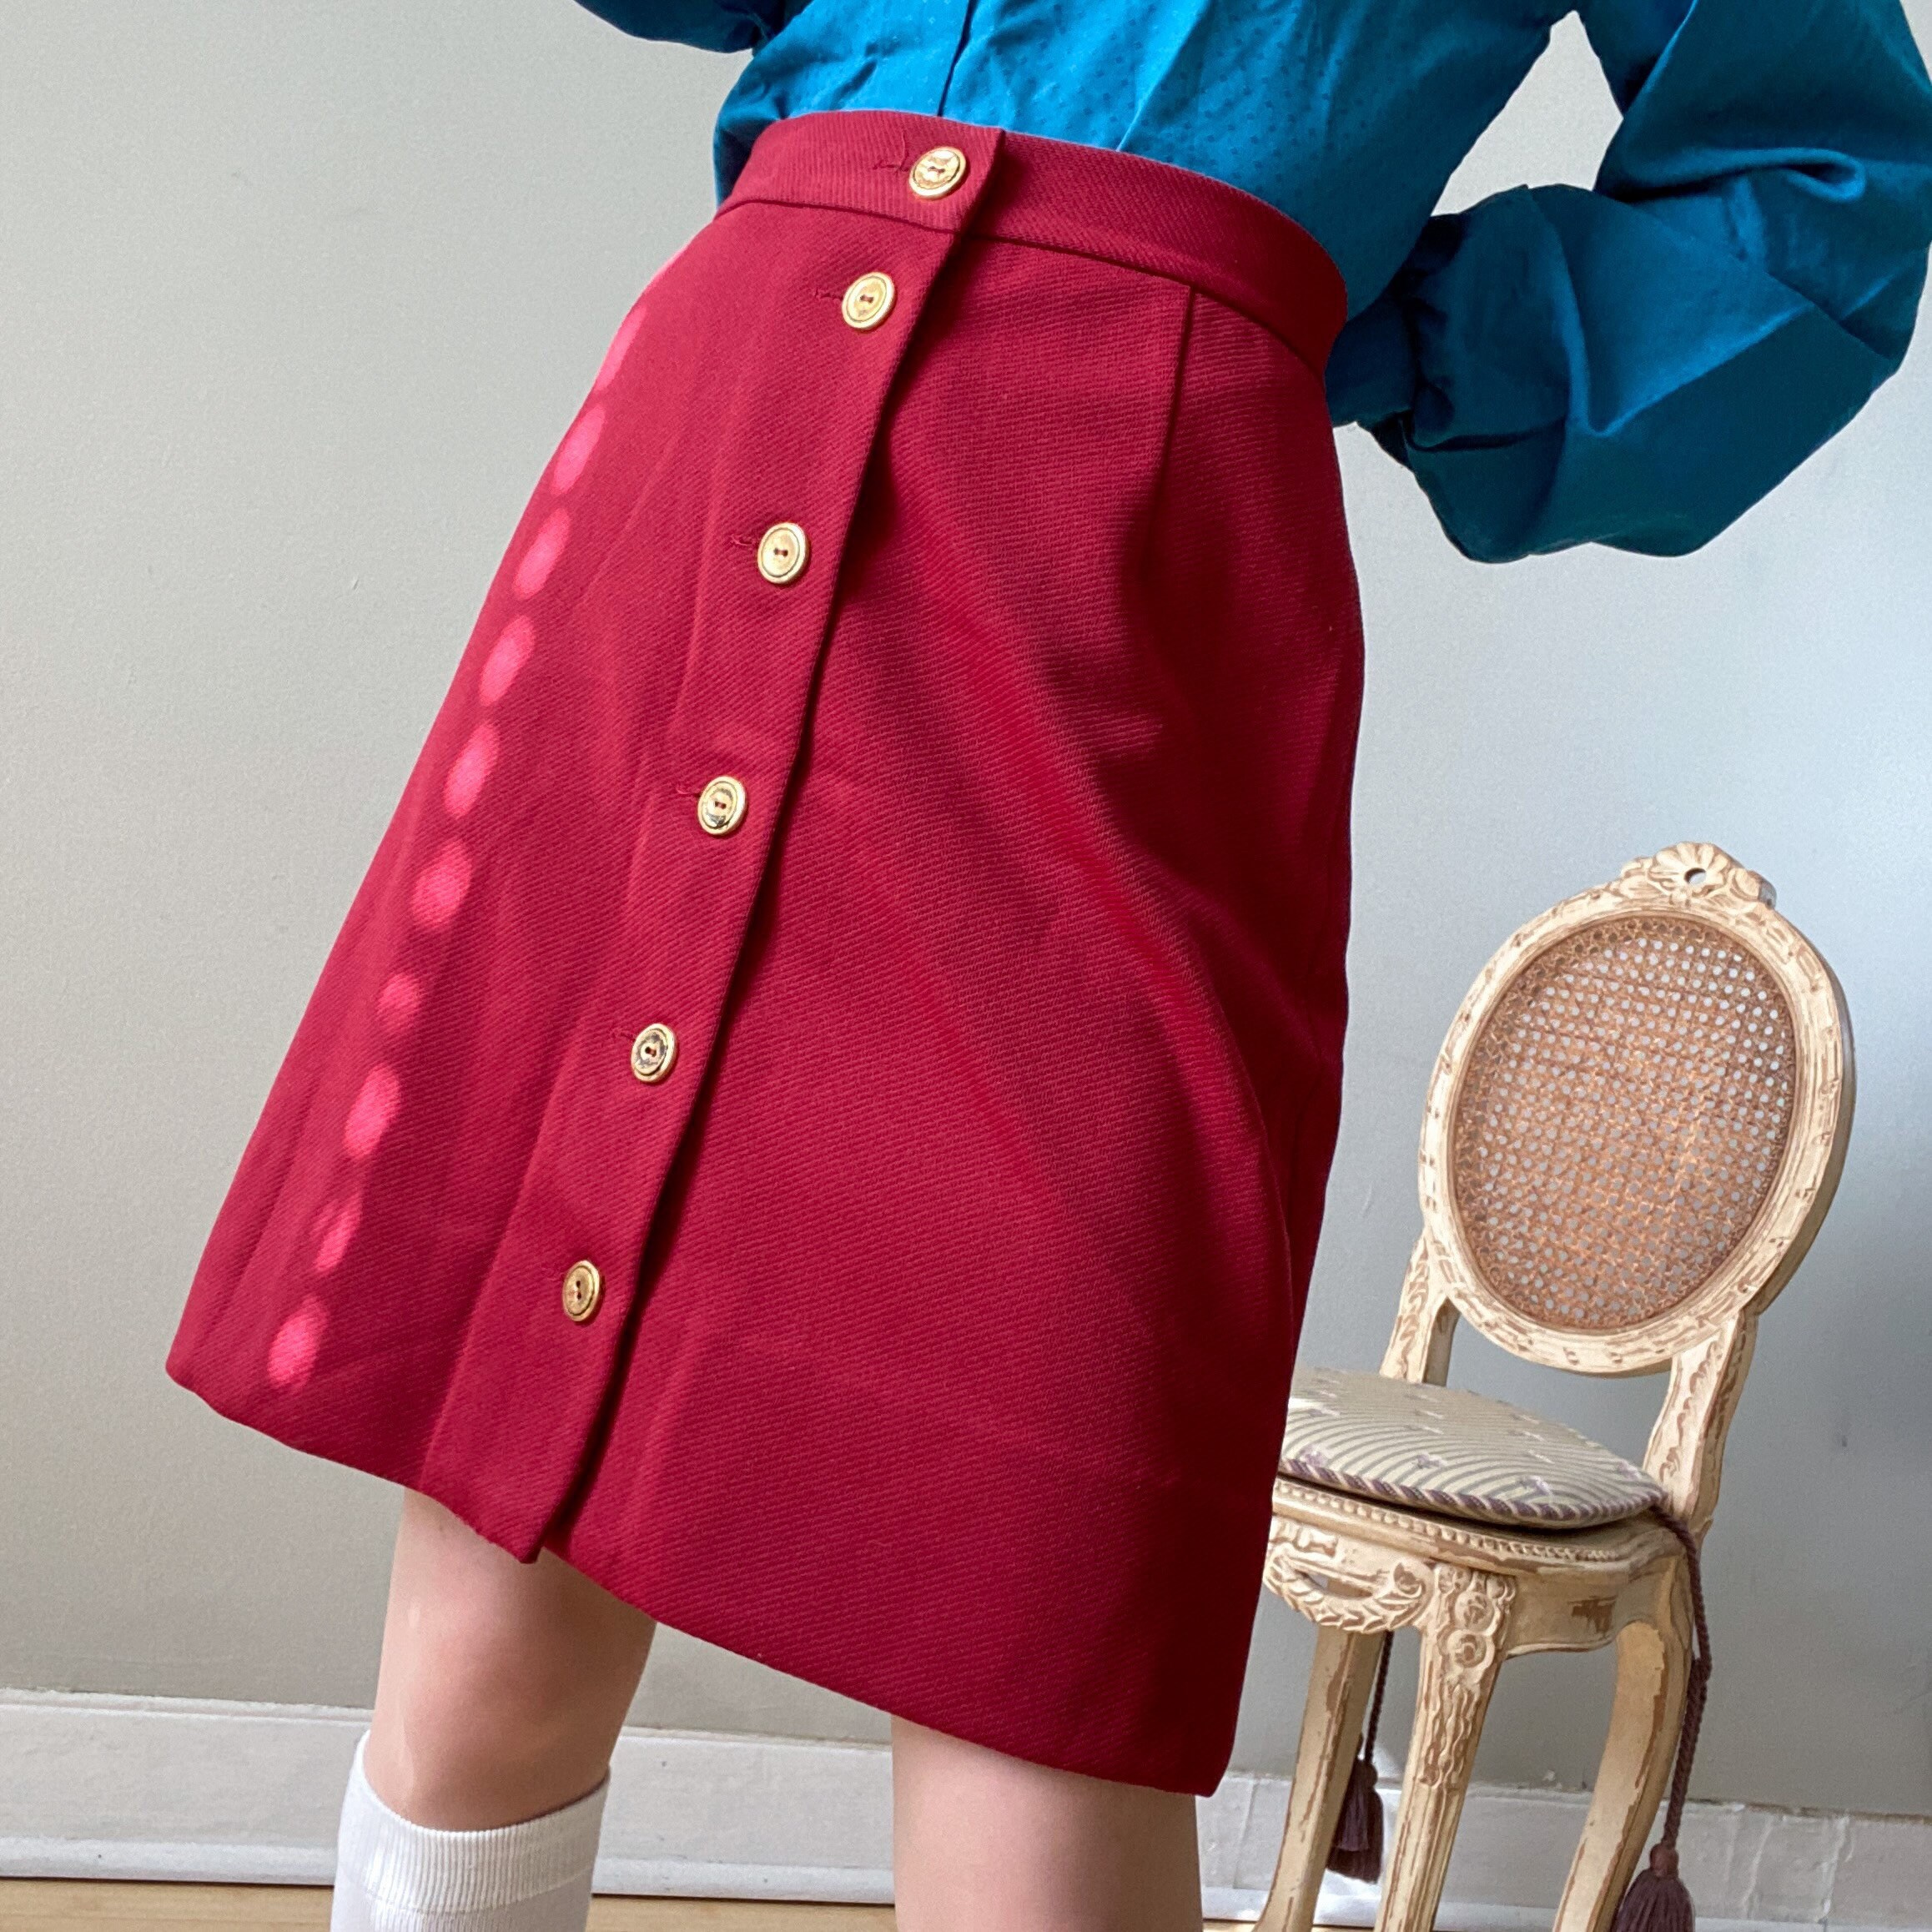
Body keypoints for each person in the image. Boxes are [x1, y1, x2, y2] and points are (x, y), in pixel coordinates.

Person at [165, 2, 1932, 1928]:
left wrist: (1321, 304)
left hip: (1103, 572)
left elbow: (1819, 183)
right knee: (495, 1592)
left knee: (1040, 1653)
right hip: (719, 444)